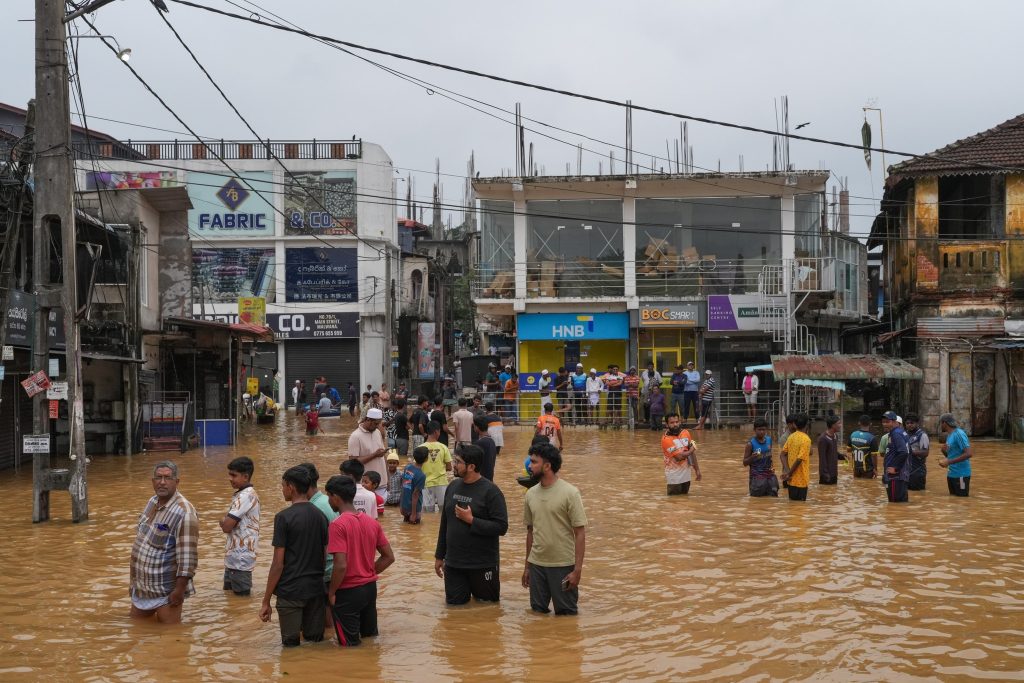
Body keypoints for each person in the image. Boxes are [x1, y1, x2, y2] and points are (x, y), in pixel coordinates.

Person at [259, 465, 329, 647]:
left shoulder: (283, 518)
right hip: (315, 590)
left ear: (291, 487)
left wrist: (266, 600)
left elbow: (278, 564)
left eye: (283, 486)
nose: (282, 490)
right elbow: (325, 555)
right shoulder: (320, 515)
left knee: (290, 647)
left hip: (291, 591)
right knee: (315, 645)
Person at [324, 475, 395, 647]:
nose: (328, 500)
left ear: (336, 497)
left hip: (348, 591)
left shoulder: (337, 525)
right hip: (370, 588)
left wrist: (332, 592)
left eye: (328, 496)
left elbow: (340, 565)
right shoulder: (371, 522)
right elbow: (389, 557)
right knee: (370, 639)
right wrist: (368, 572)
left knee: (349, 646)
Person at [435, 445, 509, 605]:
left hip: (482, 564)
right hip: (454, 564)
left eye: (458, 462)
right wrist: (439, 555)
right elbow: (445, 523)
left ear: (471, 467)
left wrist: (472, 521)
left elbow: (501, 527)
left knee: (487, 612)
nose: (454, 464)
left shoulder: (491, 492)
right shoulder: (452, 486)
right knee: (455, 612)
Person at [521, 443, 587, 616]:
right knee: (537, 615)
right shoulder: (530, 494)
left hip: (563, 566)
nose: (529, 465)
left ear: (547, 466)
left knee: (567, 617)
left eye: (534, 462)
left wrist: (577, 571)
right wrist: (527, 567)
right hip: (536, 566)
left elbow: (580, 533)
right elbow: (530, 532)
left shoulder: (570, 493)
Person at [129, 461, 199, 624]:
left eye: (167, 478)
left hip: (166, 591)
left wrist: (179, 591)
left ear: (177, 482)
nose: (162, 482)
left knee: (171, 637)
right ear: (152, 481)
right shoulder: (152, 502)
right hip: (142, 587)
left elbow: (188, 559)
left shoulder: (185, 513)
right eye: (158, 477)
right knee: (136, 629)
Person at [221, 456, 260, 597]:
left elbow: (226, 526)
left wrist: (223, 521)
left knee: (241, 601)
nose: (230, 478)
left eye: (234, 475)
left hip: (241, 559)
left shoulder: (246, 496)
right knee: (232, 600)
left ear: (245, 477)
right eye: (229, 474)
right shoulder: (242, 495)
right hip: (235, 557)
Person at [661, 414, 701, 495]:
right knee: (674, 501)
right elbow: (679, 457)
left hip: (686, 474)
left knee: (684, 500)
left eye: (677, 422)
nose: (675, 424)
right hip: (674, 476)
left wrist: (697, 470)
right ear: (667, 424)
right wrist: (692, 449)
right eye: (672, 422)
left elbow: (692, 454)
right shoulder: (666, 439)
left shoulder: (685, 433)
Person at [348, 408, 388, 485]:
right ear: (368, 420)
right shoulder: (355, 436)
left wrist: (387, 478)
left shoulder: (377, 432)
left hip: (382, 482)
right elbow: (353, 463)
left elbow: (383, 457)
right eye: (376, 424)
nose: (377, 426)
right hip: (366, 485)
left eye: (379, 424)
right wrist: (375, 455)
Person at [938, 413, 973, 497]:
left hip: (961, 475)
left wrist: (949, 462)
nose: (940, 426)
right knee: (954, 502)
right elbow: (951, 455)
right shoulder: (949, 436)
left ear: (944, 423)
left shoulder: (959, 434)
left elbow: (968, 453)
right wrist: (943, 451)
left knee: (962, 502)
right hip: (951, 474)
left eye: (941, 423)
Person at [422, 421, 454, 513]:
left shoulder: (420, 448)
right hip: (441, 483)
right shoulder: (443, 447)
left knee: (428, 514)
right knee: (443, 512)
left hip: (426, 484)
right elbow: (449, 467)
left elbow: (417, 468)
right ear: (437, 432)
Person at [881, 410, 911, 503]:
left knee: (895, 504)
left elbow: (904, 452)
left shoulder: (896, 434)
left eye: (887, 422)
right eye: (883, 422)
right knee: (900, 505)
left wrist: (895, 467)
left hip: (895, 476)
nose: (884, 424)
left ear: (894, 422)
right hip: (901, 474)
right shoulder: (901, 432)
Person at [743, 418, 778, 497]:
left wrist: (772, 469)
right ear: (754, 430)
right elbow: (744, 463)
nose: (762, 432)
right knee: (756, 499)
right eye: (759, 429)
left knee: (773, 497)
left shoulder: (769, 440)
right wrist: (752, 457)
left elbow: (770, 457)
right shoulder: (750, 444)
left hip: (770, 475)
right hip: (757, 477)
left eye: (764, 429)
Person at [780, 414, 811, 501]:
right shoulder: (806, 439)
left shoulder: (791, 437)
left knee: (793, 505)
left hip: (791, 480)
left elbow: (782, 454)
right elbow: (799, 459)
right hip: (801, 479)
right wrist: (789, 473)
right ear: (807, 425)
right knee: (800, 508)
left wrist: (788, 471)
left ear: (795, 425)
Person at [401, 447, 429, 524]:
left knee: (406, 530)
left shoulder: (407, 467)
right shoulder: (421, 475)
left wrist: (401, 505)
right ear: (426, 459)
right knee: (416, 532)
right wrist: (413, 514)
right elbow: (415, 494)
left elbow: (404, 486)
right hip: (415, 509)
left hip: (405, 506)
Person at [905, 413, 930, 491]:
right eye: (907, 423)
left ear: (917, 423)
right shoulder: (904, 434)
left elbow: (926, 453)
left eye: (912, 423)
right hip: (906, 472)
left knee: (919, 496)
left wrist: (910, 452)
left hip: (918, 471)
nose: (909, 425)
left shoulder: (922, 435)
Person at [473, 416, 498, 481]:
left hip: (480, 479)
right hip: (489, 477)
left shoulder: (479, 443)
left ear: (477, 427)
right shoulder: (491, 441)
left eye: (474, 426)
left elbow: (473, 464)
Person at [818, 415, 841, 485]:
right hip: (827, 475)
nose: (840, 425)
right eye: (839, 423)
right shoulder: (823, 439)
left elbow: (832, 452)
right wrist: (825, 474)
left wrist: (842, 456)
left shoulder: (835, 436)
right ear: (833, 425)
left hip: (834, 473)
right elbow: (822, 458)